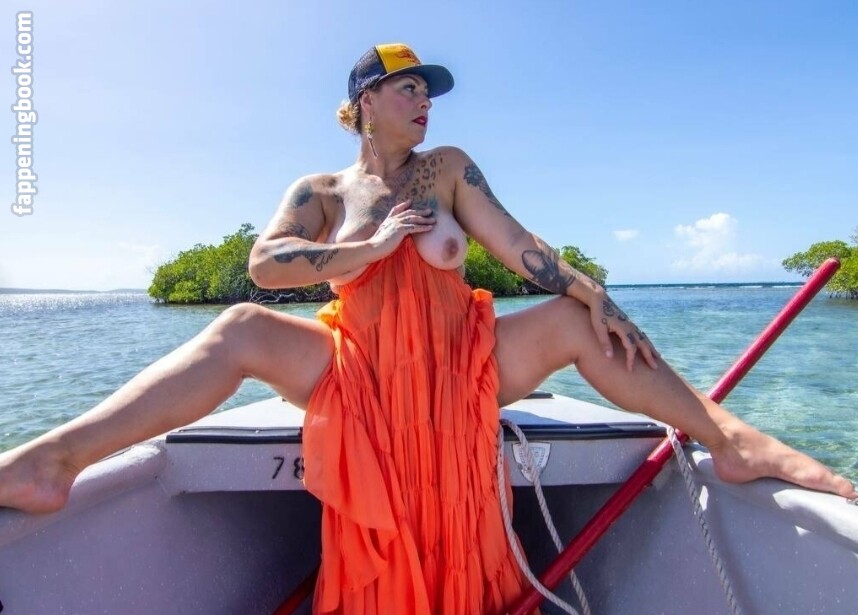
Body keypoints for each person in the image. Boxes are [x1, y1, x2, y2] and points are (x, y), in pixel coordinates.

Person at [0, 43, 854, 614]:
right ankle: (53, 462)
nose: (425, 103)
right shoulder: (321, 191)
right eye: (409, 88)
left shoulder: (447, 170)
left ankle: (732, 439)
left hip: (459, 357)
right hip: (358, 367)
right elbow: (265, 263)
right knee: (237, 327)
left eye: (429, 93)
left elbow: (516, 244)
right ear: (365, 101)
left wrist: (594, 290)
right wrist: (368, 248)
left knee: (575, 318)